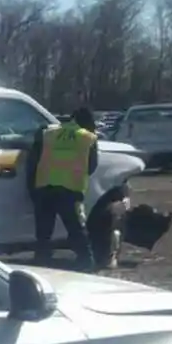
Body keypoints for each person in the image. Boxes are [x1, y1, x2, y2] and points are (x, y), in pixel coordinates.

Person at [23, 106, 101, 270]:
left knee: (44, 233)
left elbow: (34, 160)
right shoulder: (87, 138)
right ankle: (86, 263)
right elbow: (92, 166)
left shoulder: (49, 133)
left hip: (44, 188)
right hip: (69, 189)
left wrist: (32, 188)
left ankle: (41, 263)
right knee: (76, 230)